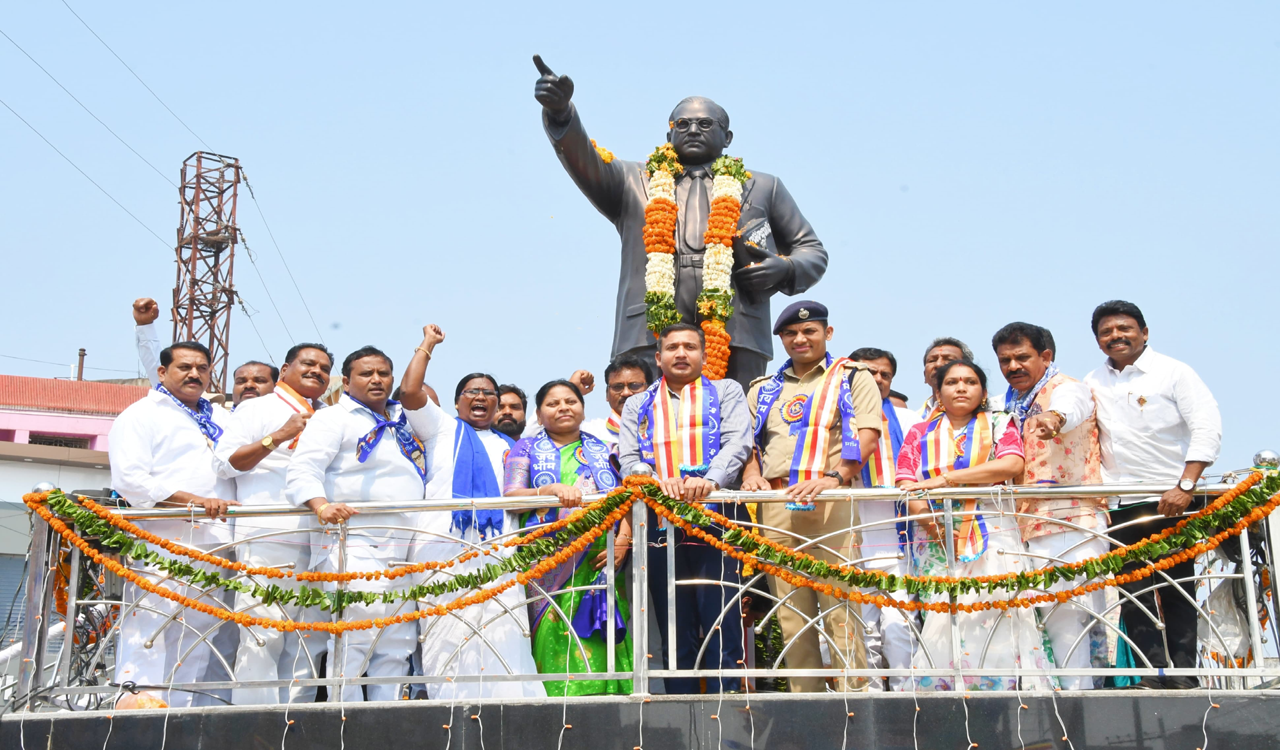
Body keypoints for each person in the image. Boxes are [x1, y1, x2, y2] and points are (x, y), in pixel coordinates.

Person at [533, 56, 829, 387]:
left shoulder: (763, 186)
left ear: (727, 137)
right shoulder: (633, 180)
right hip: (648, 329)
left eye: (705, 125)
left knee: (736, 426)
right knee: (649, 426)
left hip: (736, 329)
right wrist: (562, 114)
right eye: (682, 125)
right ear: (668, 134)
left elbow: (812, 250)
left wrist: (785, 269)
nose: (692, 130)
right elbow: (583, 159)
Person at [737, 303, 881, 692]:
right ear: (781, 339)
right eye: (791, 334)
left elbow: (868, 433)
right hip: (777, 501)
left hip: (830, 498)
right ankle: (808, 703)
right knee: (790, 609)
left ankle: (855, 695)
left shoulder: (852, 376)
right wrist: (752, 474)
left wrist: (837, 477)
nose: (800, 339)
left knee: (840, 601)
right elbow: (749, 444)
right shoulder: (762, 387)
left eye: (810, 331)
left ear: (827, 333)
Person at [397, 327, 543, 700]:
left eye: (488, 393)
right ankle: (448, 709)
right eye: (472, 392)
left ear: (498, 404)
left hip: (498, 547)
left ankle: (510, 707)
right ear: (458, 402)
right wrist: (427, 345)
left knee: (505, 627)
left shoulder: (514, 446)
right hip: (443, 545)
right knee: (445, 628)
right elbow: (410, 393)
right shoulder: (442, 428)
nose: (480, 397)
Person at [1082, 301, 1221, 689]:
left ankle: (1185, 674)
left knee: (1178, 588)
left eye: (1124, 328)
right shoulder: (1092, 381)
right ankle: (1151, 672)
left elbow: (1207, 427)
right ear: (1098, 341)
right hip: (1119, 504)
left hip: (1170, 500)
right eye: (1106, 332)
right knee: (1133, 591)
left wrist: (1186, 485)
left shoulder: (1174, 372)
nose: (1116, 336)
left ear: (1144, 332)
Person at [896, 360, 1053, 691]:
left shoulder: (999, 424)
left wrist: (947, 480)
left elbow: (1011, 464)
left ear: (982, 392)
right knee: (944, 615)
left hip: (993, 532)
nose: (961, 387)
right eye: (952, 382)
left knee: (999, 610)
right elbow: (906, 482)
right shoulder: (919, 432)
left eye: (970, 381)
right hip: (939, 537)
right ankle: (946, 695)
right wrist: (936, 525)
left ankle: (1006, 692)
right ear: (938, 392)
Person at [285, 346, 426, 702]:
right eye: (366, 374)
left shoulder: (403, 420)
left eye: (383, 373)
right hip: (353, 537)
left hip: (406, 541)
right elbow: (303, 469)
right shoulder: (333, 418)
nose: (376, 380)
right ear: (346, 382)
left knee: (398, 638)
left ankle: (385, 723)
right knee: (353, 633)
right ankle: (342, 723)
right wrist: (320, 506)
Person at [617, 322, 753, 693]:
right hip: (660, 524)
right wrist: (656, 482)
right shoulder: (638, 403)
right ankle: (682, 713)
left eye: (690, 347)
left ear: (704, 356)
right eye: (672, 347)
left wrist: (709, 480)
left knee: (720, 617)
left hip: (716, 518)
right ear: (658, 358)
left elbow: (738, 442)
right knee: (673, 622)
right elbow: (628, 457)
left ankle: (727, 713)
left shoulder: (725, 391)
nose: (681, 353)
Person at [107, 341, 240, 708]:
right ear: (163, 373)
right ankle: (138, 713)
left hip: (214, 542)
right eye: (184, 367)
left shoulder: (220, 418)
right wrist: (192, 501)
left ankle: (180, 715)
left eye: (202, 367)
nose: (194, 374)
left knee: (199, 632)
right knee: (151, 626)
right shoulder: (141, 415)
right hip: (161, 541)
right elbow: (131, 481)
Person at [213, 342, 333, 705]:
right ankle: (255, 726)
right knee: (262, 635)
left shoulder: (328, 414)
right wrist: (278, 435)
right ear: (284, 371)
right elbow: (226, 463)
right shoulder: (258, 408)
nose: (316, 371)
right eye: (308, 364)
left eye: (324, 368)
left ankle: (295, 725)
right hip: (268, 535)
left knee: (309, 640)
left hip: (318, 541)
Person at [991, 322, 1107, 690]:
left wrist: (1053, 419)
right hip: (1024, 523)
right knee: (1037, 615)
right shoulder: (1008, 402)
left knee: (1069, 615)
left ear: (1046, 356)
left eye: (1022, 357)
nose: (1012, 366)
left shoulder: (1067, 388)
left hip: (1070, 521)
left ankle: (1079, 704)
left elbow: (1068, 409)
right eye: (1005, 360)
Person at [503, 379, 634, 696]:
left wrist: (624, 539)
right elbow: (511, 495)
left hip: (599, 557)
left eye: (570, 401)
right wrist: (547, 491)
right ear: (538, 414)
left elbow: (625, 498)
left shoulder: (604, 449)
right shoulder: (526, 448)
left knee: (600, 626)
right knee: (552, 626)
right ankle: (556, 700)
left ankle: (610, 700)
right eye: (553, 403)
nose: (563, 407)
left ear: (583, 408)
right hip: (547, 560)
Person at [847, 346, 919, 690]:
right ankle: (867, 699)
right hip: (849, 539)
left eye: (884, 375)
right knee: (860, 629)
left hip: (900, 539)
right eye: (869, 373)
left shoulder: (910, 419)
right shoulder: (836, 418)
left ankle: (906, 696)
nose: (877, 380)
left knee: (899, 626)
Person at [133, 297, 276, 406]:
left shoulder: (217, 417)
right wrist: (145, 327)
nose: (249, 386)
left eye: (260, 381)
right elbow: (159, 372)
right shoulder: (213, 418)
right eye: (240, 381)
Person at [580, 354, 656, 448]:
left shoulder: (667, 428)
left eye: (634, 385)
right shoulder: (590, 432)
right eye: (617, 387)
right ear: (607, 394)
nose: (626, 393)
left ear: (651, 390)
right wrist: (573, 389)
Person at [917, 338, 973, 420]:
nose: (938, 364)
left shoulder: (987, 417)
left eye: (949, 359)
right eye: (932, 360)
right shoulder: (913, 420)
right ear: (925, 375)